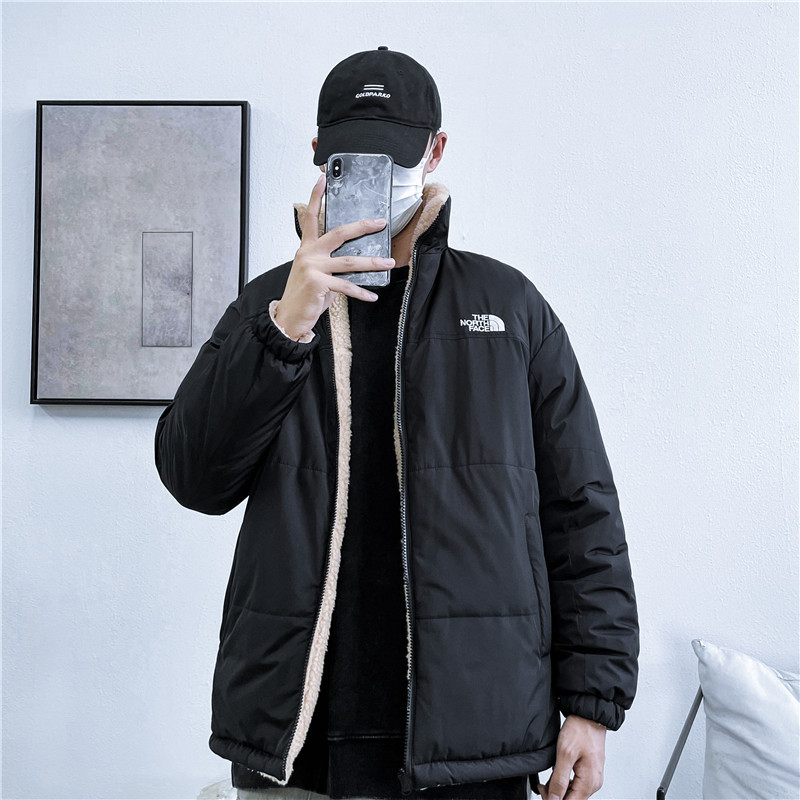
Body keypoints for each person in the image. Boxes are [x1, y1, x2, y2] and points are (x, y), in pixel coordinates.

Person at [154, 47, 640, 800]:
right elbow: (194, 478)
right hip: (300, 741)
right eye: (353, 159)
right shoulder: (267, 307)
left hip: (476, 739)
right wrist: (287, 326)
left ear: (435, 151)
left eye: (395, 158)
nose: (377, 178)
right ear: (318, 154)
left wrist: (592, 702)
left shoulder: (509, 307)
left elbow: (582, 512)